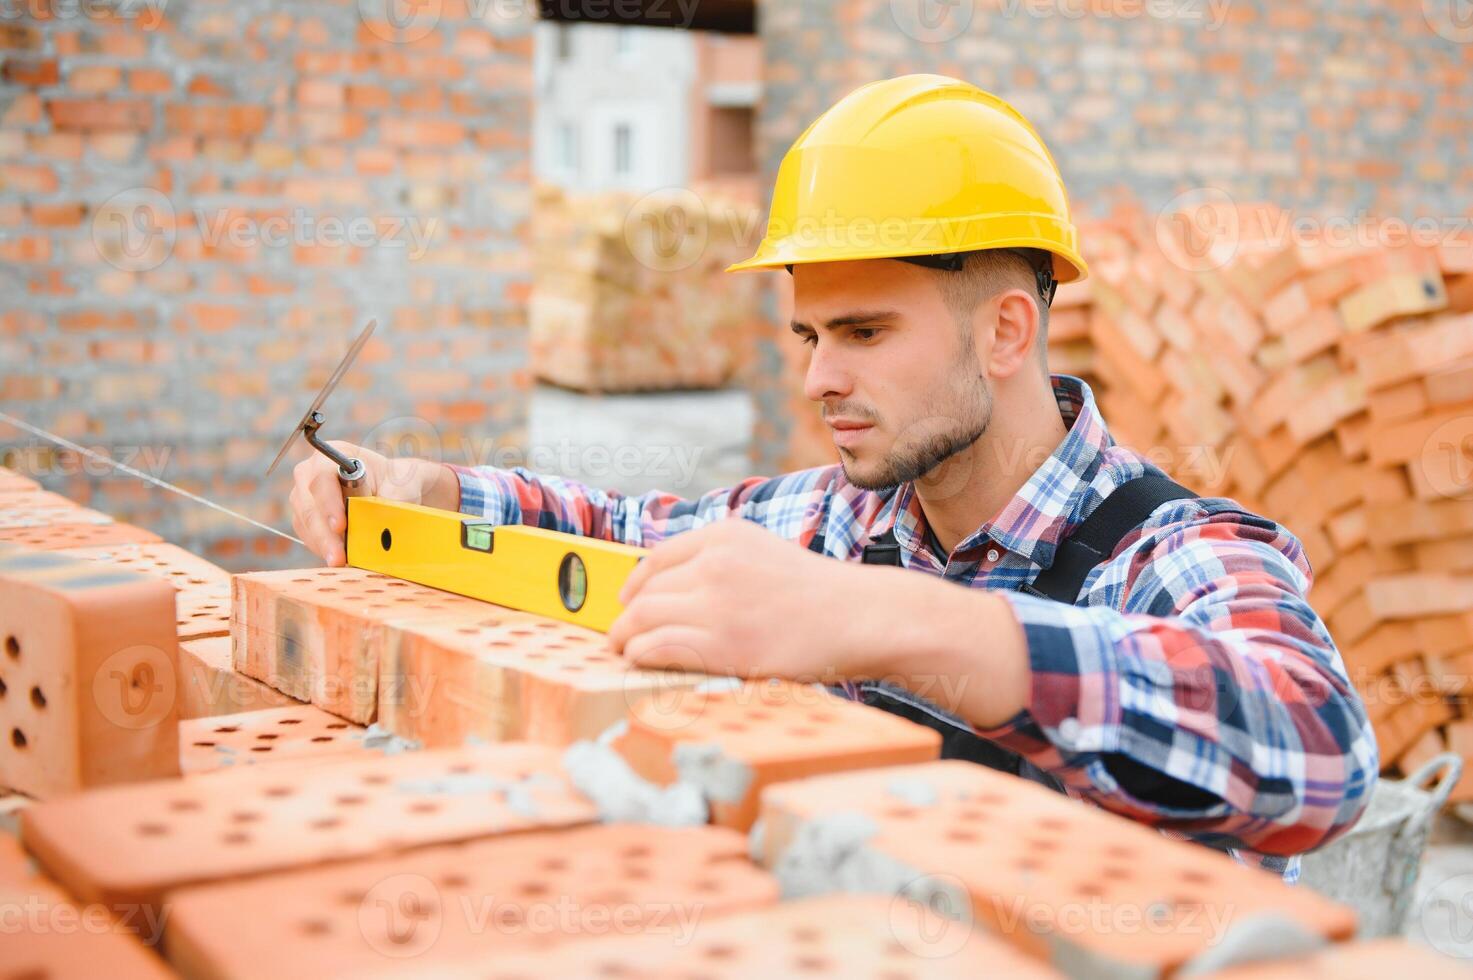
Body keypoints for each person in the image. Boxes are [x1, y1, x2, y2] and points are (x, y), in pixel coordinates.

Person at [289, 74, 1375, 882]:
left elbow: (1321, 750)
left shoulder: (1172, 549)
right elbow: (621, 523)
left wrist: (900, 621)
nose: (819, 377)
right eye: (809, 332)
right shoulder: (831, 519)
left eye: (863, 330)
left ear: (1005, 330)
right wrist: (417, 489)